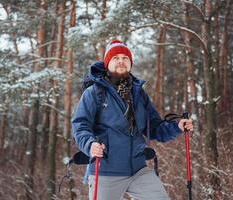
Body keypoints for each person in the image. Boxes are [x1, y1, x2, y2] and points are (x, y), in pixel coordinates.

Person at [72, 39, 193, 200]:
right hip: (106, 172)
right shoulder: (95, 93)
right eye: (116, 58)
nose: (121, 61)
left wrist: (177, 126)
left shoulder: (138, 93)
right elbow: (80, 126)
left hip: (138, 170)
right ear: (107, 63)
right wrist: (90, 144)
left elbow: (154, 127)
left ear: (130, 64)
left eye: (125, 58)